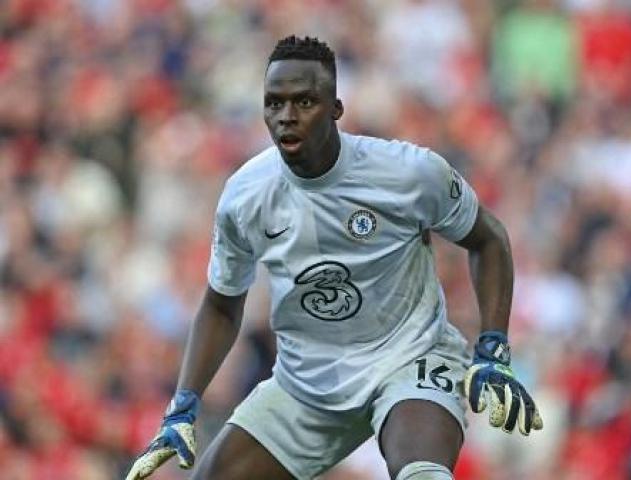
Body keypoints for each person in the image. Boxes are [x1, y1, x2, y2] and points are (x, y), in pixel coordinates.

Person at [125, 35, 542, 480]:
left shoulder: (409, 173)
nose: (286, 117)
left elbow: (488, 239)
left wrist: (492, 347)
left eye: (304, 102)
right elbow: (222, 303)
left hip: (410, 358)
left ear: (336, 108)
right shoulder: (245, 197)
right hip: (306, 384)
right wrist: (184, 403)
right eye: (274, 103)